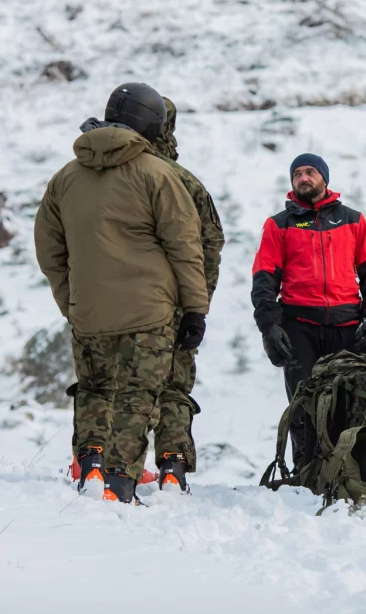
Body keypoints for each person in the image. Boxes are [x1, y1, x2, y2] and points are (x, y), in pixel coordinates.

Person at [34, 83, 209, 503]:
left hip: (89, 312)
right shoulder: (159, 175)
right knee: (136, 398)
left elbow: (49, 251)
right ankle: (120, 482)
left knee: (93, 389)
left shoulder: (65, 177)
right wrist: (195, 310)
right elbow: (186, 247)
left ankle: (90, 468)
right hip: (150, 313)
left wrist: (72, 302)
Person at [251, 153, 366, 468]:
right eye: (297, 173)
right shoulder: (278, 225)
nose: (303, 178)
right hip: (298, 326)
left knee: (351, 402)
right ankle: (307, 474)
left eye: (310, 172)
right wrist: (269, 327)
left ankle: (350, 472)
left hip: (347, 325)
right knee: (303, 407)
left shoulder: (353, 220)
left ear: (324, 178)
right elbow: (264, 279)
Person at [149, 96, 225, 492]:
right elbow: (211, 243)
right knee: (174, 386)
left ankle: (103, 464)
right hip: (177, 304)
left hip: (117, 305)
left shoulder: (102, 175)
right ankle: (173, 466)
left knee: (111, 385)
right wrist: (196, 301)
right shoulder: (185, 180)